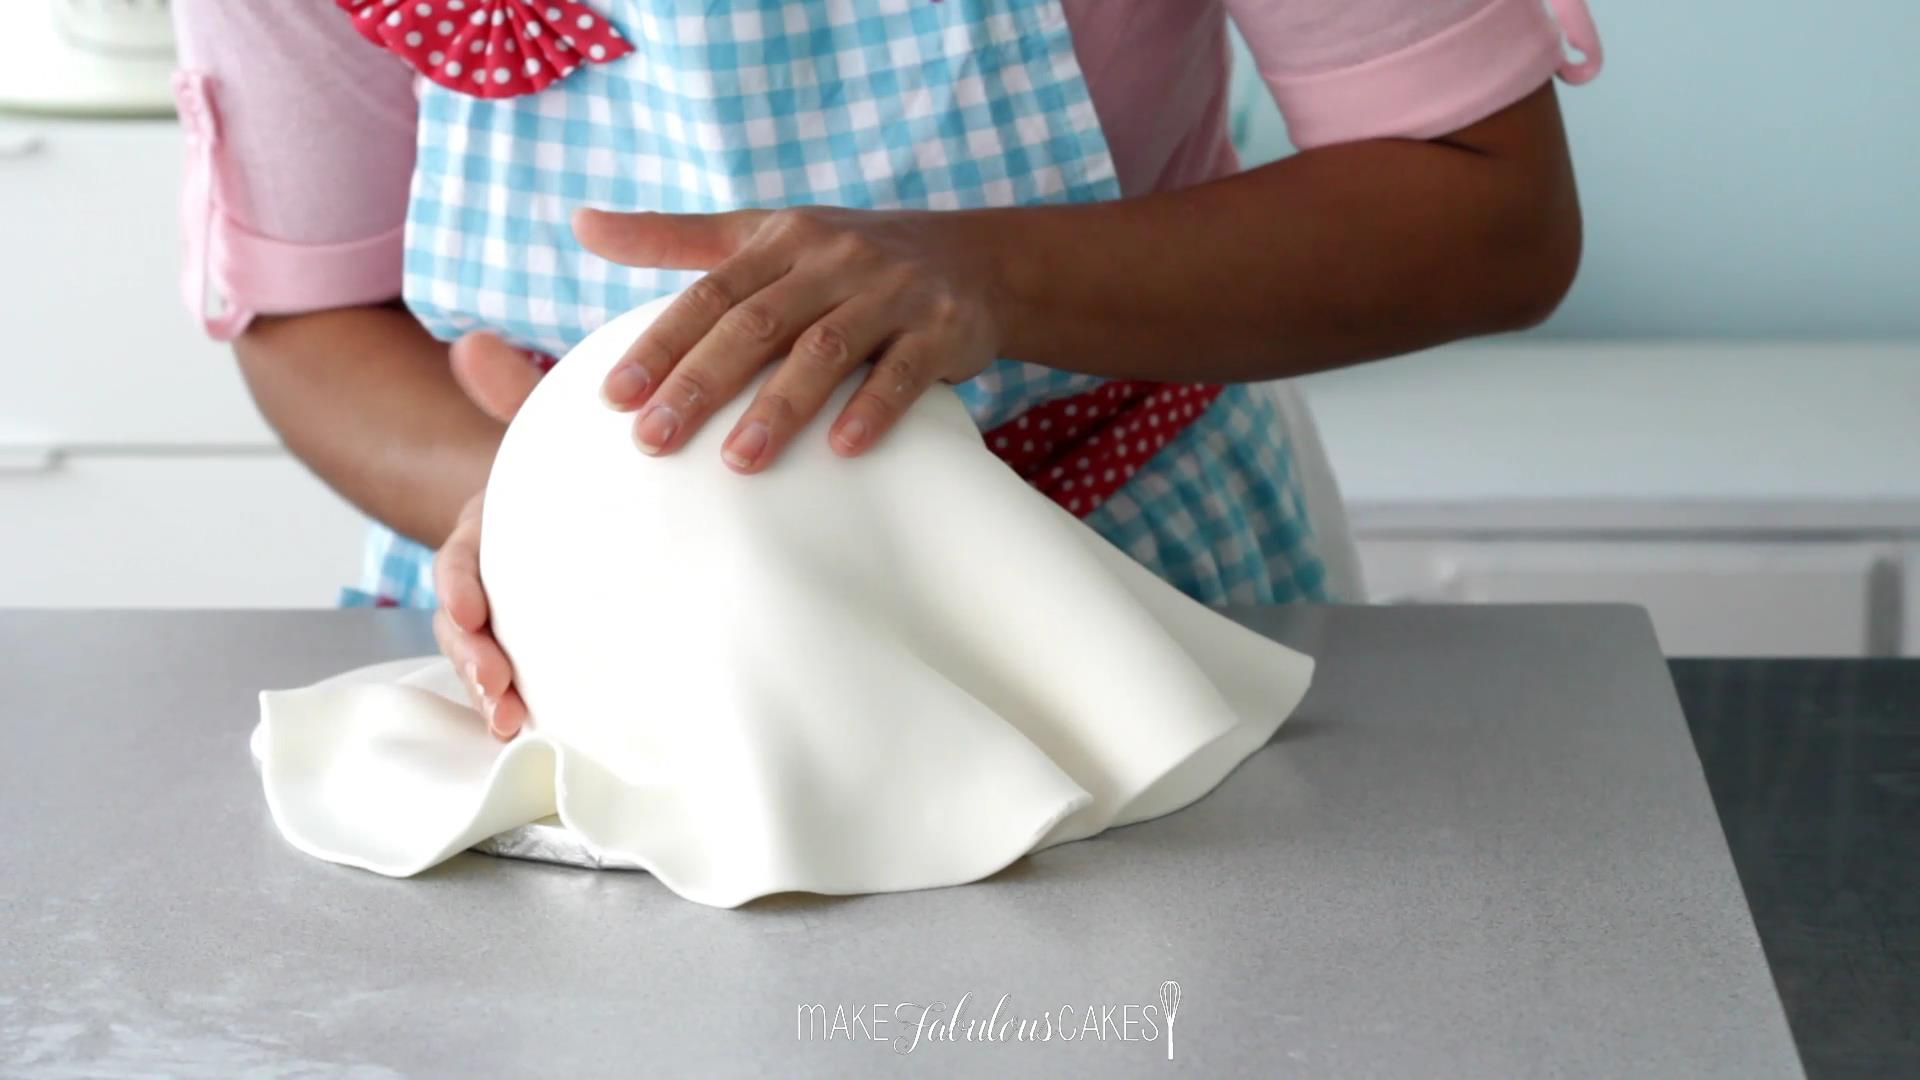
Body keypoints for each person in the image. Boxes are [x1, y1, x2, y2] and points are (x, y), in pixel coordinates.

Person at [172, 0, 1601, 740]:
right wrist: (562, 515)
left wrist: (997, 275)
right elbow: (313, 316)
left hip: (1128, 571)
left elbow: (1492, 214)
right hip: (579, 630)